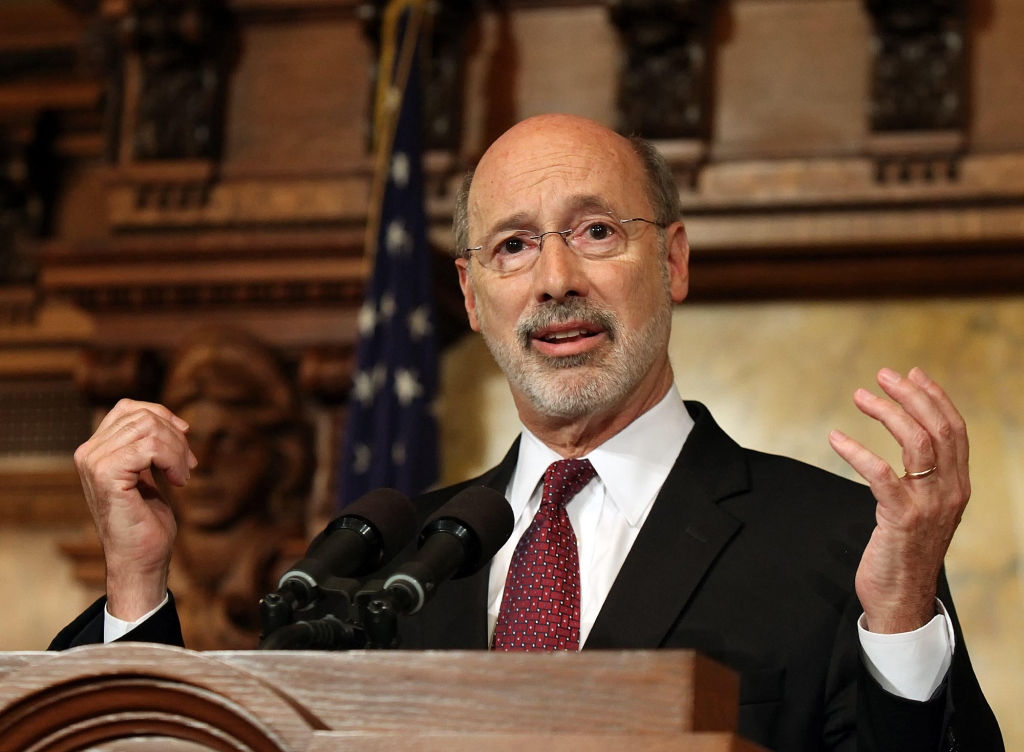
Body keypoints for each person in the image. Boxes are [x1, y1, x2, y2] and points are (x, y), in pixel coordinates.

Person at [51, 115, 1003, 751]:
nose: (554, 281)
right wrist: (136, 588)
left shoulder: (841, 542)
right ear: (471, 295)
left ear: (671, 260)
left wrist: (902, 618)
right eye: (512, 245)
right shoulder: (383, 562)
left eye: (594, 232)